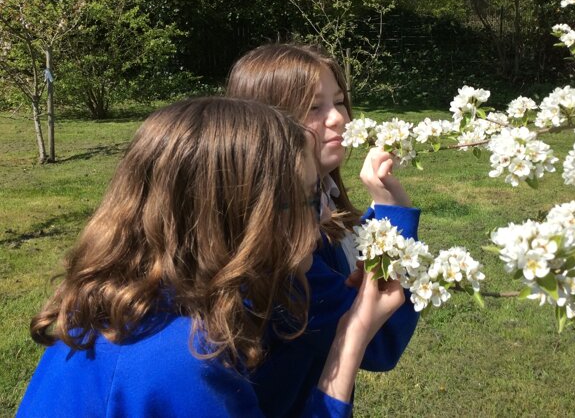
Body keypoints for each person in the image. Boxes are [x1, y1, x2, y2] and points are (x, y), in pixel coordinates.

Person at [17, 97, 406, 418]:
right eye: (308, 198)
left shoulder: (142, 304)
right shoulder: (182, 360)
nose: (324, 216)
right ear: (238, 218)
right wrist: (349, 338)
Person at [226, 44, 421, 417]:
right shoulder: (283, 252)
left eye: (340, 102)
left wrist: (382, 216)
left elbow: (352, 271)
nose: (337, 119)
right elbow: (380, 342)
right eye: (313, 107)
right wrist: (394, 217)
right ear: (264, 123)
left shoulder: (322, 204)